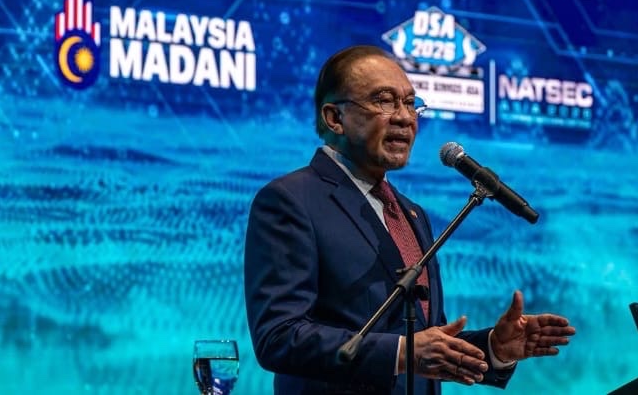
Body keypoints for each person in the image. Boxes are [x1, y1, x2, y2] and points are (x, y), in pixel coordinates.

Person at [244, 44, 576, 394]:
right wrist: (403, 353)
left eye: (410, 103)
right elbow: (278, 337)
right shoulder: (291, 200)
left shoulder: (411, 213)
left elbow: (425, 342)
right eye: (385, 101)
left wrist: (494, 348)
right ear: (334, 118)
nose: (404, 117)